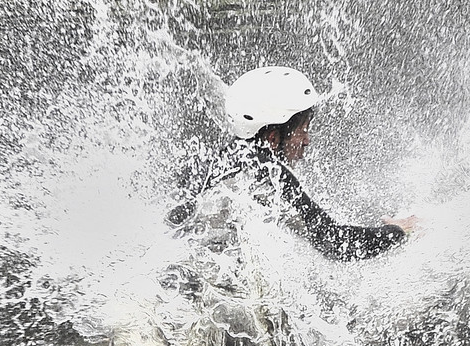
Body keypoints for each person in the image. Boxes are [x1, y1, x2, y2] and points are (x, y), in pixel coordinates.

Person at [170, 66, 416, 260]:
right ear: (272, 137)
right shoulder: (268, 172)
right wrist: (397, 231)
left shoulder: (223, 161)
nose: (307, 141)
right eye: (302, 130)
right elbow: (336, 243)